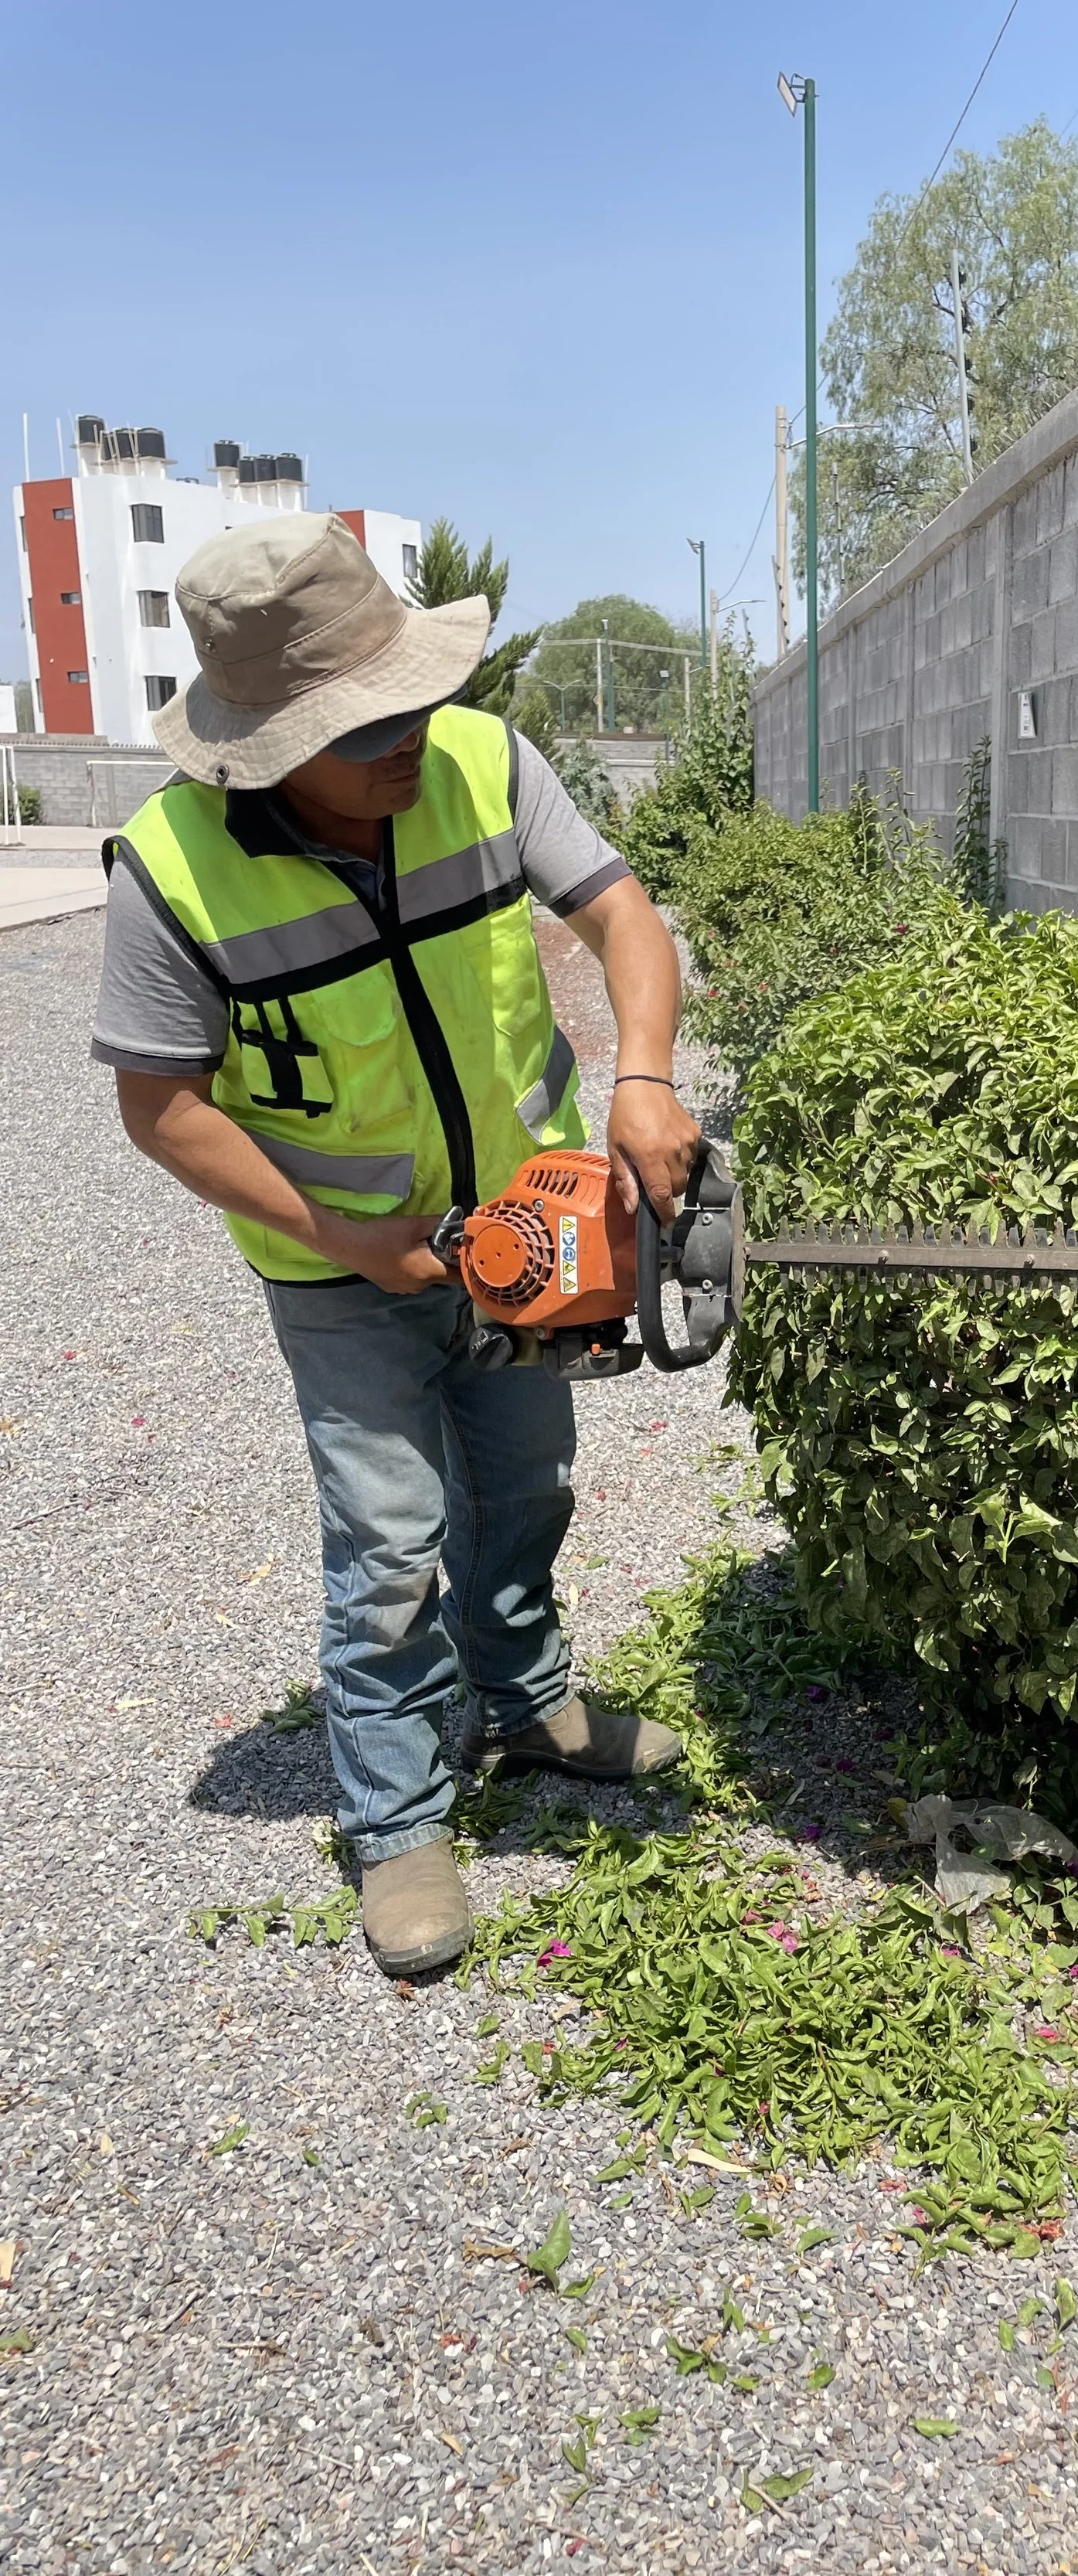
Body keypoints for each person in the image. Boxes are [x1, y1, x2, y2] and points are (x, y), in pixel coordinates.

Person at [91, 512, 703, 1975]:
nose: (409, 739)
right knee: (389, 1540)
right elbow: (160, 1108)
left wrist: (641, 1073)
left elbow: (624, 916)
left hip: (526, 1236)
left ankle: (530, 1696)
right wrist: (350, 1240)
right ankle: (395, 1815)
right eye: (363, 725)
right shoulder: (170, 870)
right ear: (262, 743)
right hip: (339, 1273)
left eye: (412, 697)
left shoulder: (484, 764)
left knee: (527, 1480)